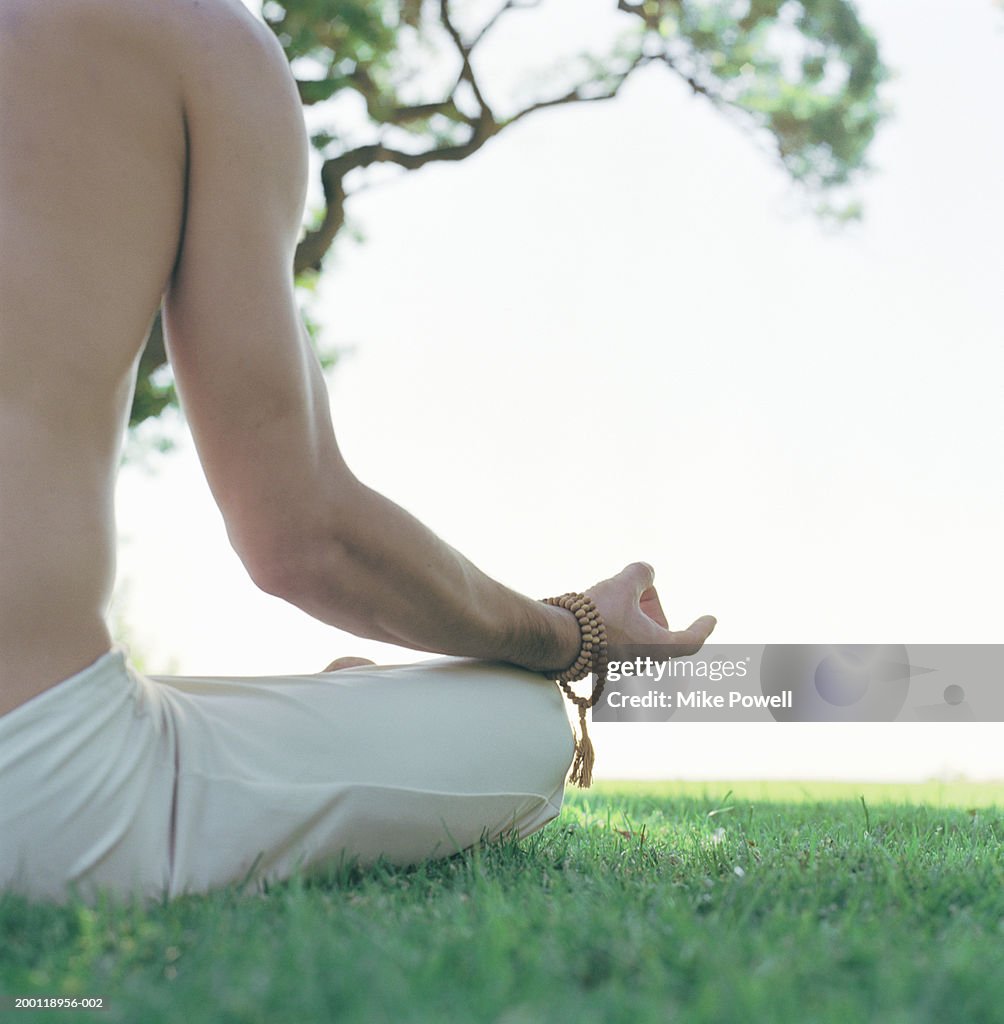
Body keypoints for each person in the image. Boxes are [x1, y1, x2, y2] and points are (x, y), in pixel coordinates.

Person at [0, 0, 715, 902]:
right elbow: (303, 538)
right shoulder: (197, 39)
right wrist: (571, 633)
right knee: (523, 718)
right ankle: (354, 711)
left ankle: (342, 709)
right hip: (38, 793)